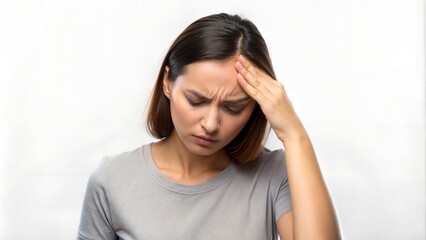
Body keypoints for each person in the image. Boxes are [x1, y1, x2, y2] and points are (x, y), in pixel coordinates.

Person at [77, 13, 341, 240]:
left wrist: (294, 134)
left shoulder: (274, 175)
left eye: (233, 108)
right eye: (196, 100)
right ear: (168, 82)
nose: (211, 124)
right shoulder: (113, 180)